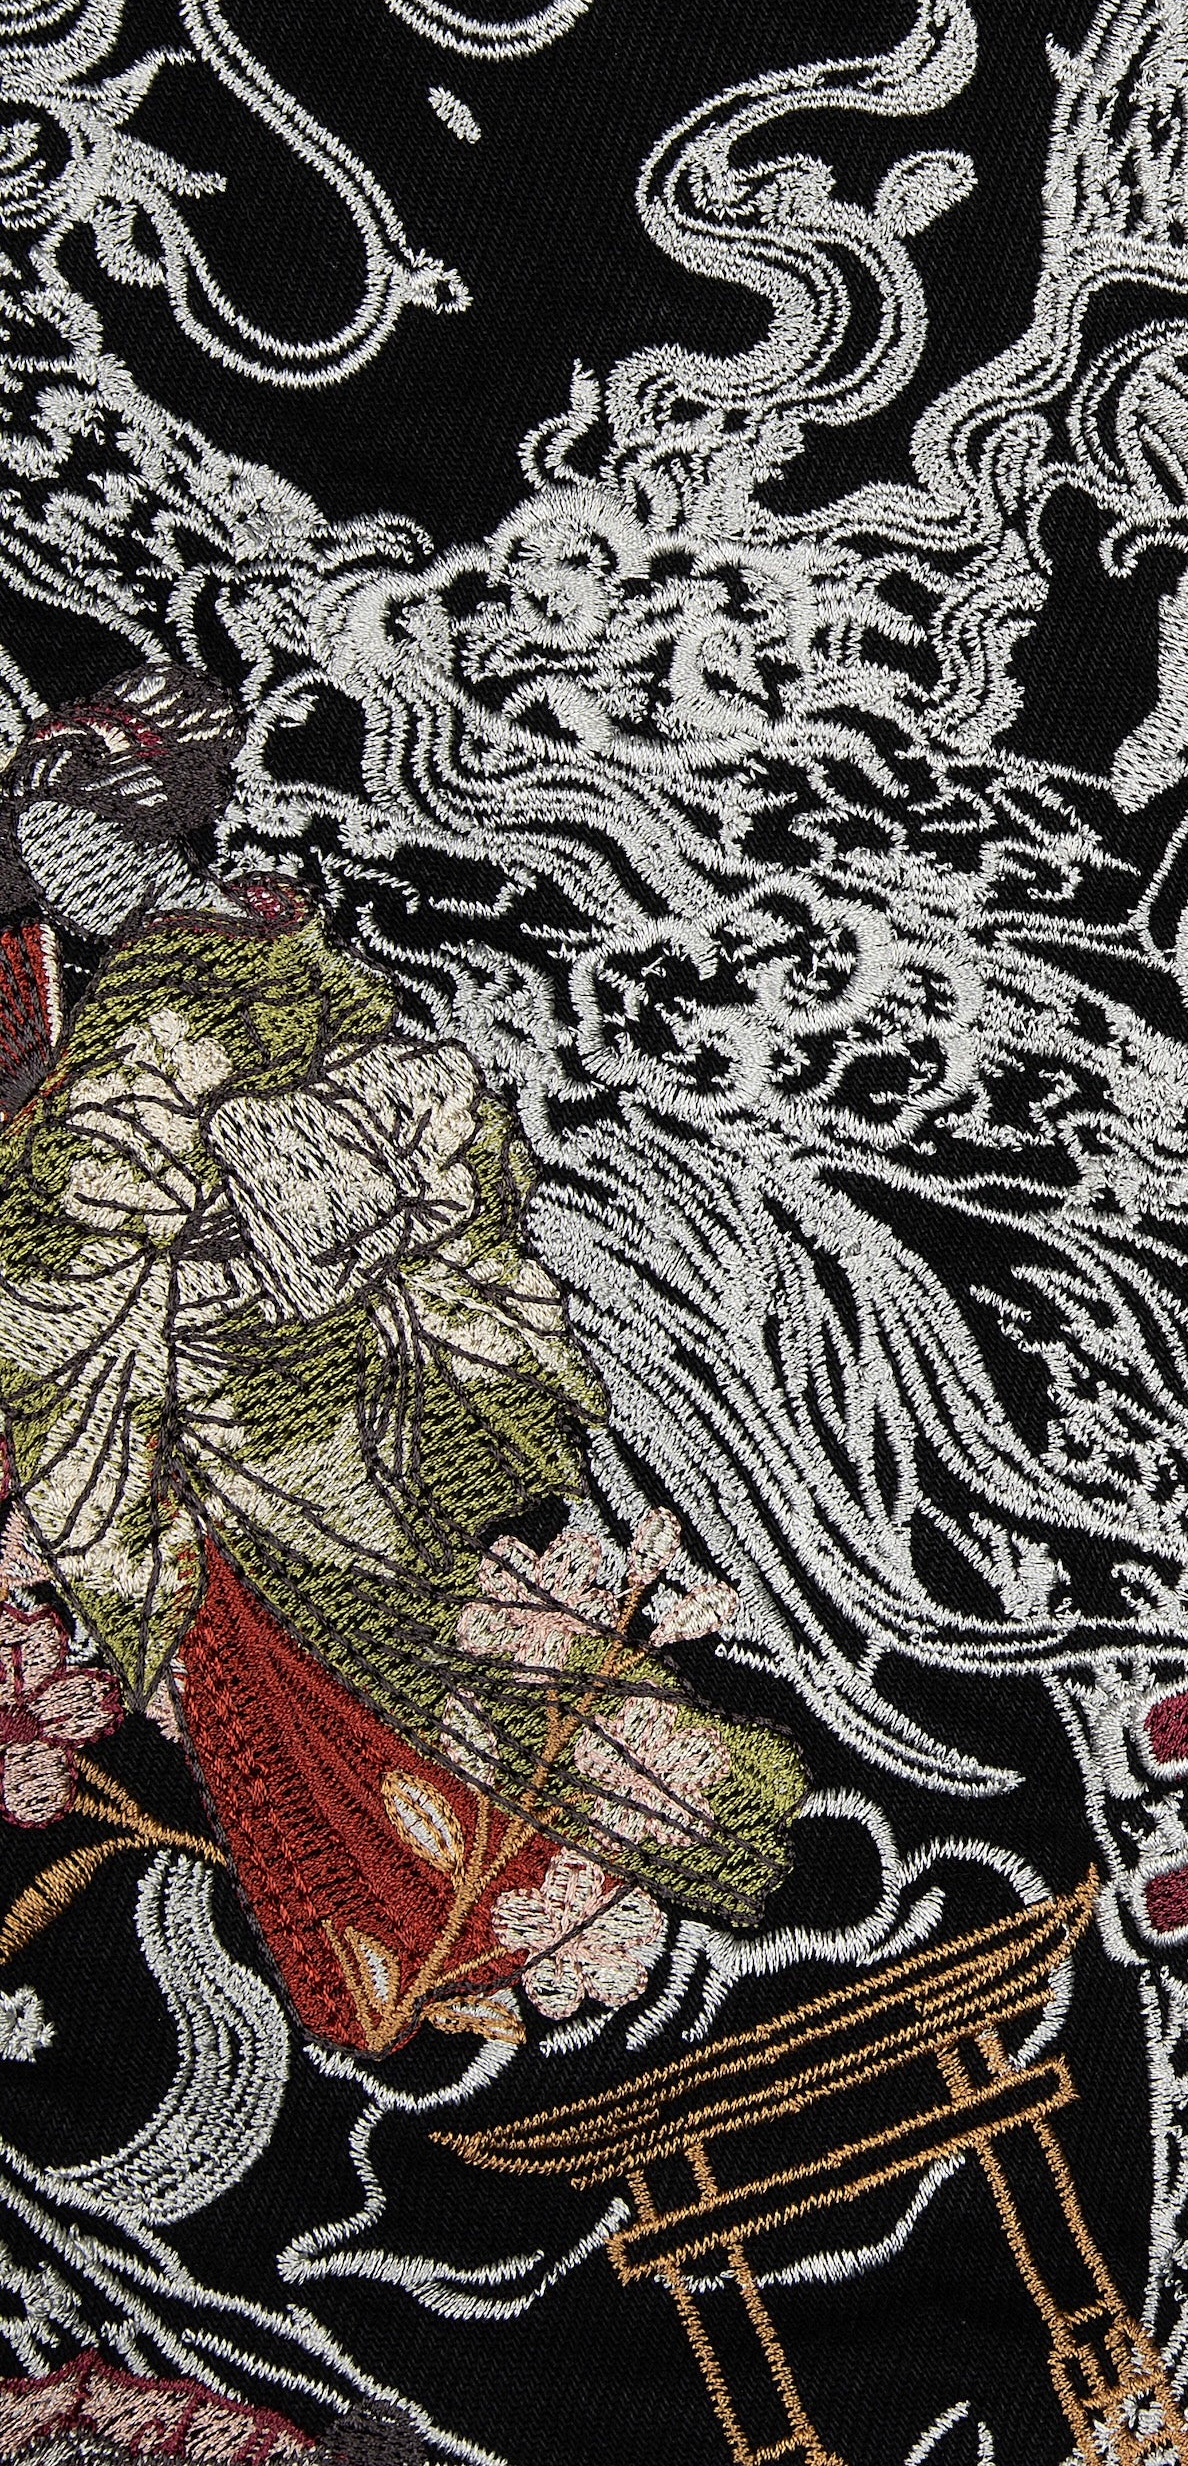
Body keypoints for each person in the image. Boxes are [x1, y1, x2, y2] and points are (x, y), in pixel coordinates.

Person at [0, 665, 802, 2052]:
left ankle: (666, 1852)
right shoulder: (133, 1007)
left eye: (91, 829)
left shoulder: (217, 979)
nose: (74, 866)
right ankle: (496, 1930)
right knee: (348, 1674)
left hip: (293, 1397)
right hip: (234, 1417)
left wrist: (287, 1227)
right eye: (51, 846)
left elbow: (419, 1129)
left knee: (425, 1636)